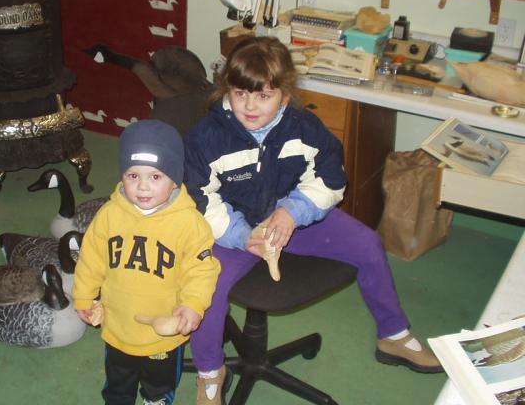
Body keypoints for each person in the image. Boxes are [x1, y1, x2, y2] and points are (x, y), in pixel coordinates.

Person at [183, 36, 443, 405]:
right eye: (240, 94)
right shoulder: (206, 139)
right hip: (232, 230)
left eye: (263, 96)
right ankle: (210, 373)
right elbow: (199, 200)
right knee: (205, 288)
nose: (250, 106)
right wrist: (241, 236)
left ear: (284, 96)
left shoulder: (304, 127)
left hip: (293, 219)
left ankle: (393, 335)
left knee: (368, 244)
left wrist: (293, 212)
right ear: (228, 90)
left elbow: (330, 179)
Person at [73, 119, 221, 405]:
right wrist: (84, 296)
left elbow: (202, 270)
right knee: (118, 381)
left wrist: (193, 303)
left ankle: (156, 399)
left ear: (174, 179)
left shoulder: (189, 223)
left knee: (159, 384)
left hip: (163, 332)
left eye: (155, 176)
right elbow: (91, 259)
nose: (142, 186)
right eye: (132, 175)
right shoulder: (109, 215)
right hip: (118, 326)